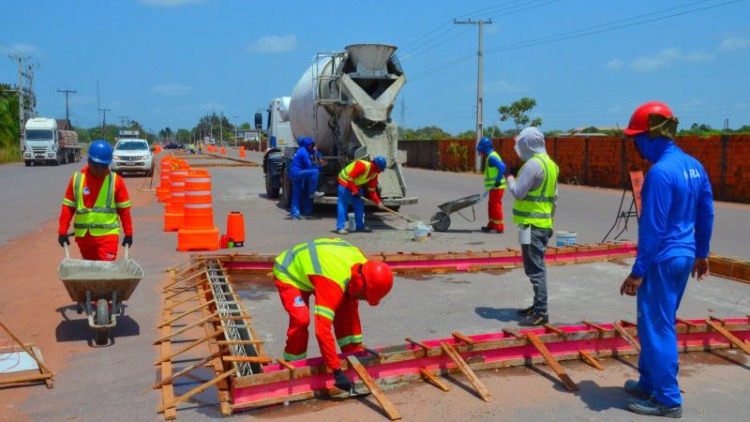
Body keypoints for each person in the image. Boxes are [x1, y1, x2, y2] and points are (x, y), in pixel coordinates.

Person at [618, 101, 714, 418]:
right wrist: (701, 253)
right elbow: (707, 213)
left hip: (662, 259)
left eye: (637, 138)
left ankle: (668, 399)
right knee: (657, 323)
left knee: (658, 327)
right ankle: (649, 382)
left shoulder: (660, 173)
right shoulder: (694, 166)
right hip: (684, 257)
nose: (636, 145)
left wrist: (638, 271)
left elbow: (653, 227)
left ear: (652, 135)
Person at [273, 238, 394, 393]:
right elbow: (322, 330)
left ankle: (351, 351)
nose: (363, 300)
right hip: (290, 273)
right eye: (364, 296)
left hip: (318, 271)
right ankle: (293, 366)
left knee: (349, 304)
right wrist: (336, 371)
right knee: (301, 320)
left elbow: (351, 314)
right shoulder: (333, 281)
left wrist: (354, 356)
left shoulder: (363, 267)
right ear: (359, 284)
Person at [505, 127, 559, 327]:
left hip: (531, 225)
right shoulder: (551, 165)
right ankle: (537, 305)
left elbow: (518, 192)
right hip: (536, 224)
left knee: (536, 268)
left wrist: (509, 177)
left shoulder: (532, 165)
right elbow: (555, 198)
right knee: (531, 265)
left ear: (527, 144)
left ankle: (541, 312)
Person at [58, 139, 133, 261]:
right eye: (95, 166)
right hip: (84, 238)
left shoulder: (116, 181)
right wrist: (62, 231)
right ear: (88, 161)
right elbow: (68, 207)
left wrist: (128, 233)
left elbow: (124, 211)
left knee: (105, 271)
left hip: (108, 237)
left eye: (103, 167)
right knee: (91, 273)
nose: (99, 170)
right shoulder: (77, 179)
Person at [336, 156, 387, 234]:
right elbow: (350, 178)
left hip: (356, 185)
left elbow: (372, 190)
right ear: (376, 165)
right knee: (343, 205)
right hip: (344, 183)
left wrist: (378, 202)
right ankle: (340, 227)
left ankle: (360, 226)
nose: (381, 171)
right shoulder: (362, 165)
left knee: (359, 205)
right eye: (380, 169)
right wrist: (354, 191)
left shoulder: (374, 174)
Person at [476, 137, 507, 233]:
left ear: (485, 148)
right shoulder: (491, 156)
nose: (481, 153)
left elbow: (502, 167)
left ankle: (499, 226)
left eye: (482, 150)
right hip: (493, 187)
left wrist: (497, 180)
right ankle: (492, 224)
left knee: (496, 205)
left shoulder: (492, 157)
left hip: (497, 186)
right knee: (491, 205)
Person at [289, 137, 324, 220]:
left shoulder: (303, 149)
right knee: (315, 172)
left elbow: (315, 152)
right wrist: (320, 167)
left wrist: (319, 156)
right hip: (297, 173)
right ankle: (312, 192)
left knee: (297, 194)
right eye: (311, 145)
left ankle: (296, 214)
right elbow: (310, 166)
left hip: (295, 174)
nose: (312, 147)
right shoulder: (304, 152)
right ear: (307, 145)